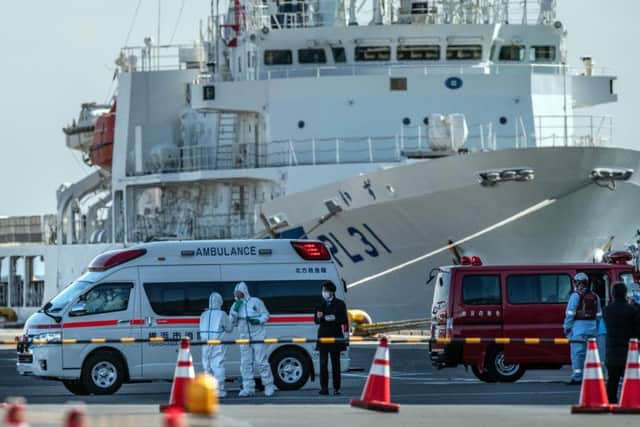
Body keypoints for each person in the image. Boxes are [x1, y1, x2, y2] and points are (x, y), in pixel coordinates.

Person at [229, 281, 275, 397]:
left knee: (261, 361)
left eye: (238, 293)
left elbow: (266, 315)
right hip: (244, 336)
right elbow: (231, 323)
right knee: (245, 363)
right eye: (236, 293)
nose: (237, 295)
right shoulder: (235, 305)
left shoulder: (256, 302)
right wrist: (235, 312)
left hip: (258, 335)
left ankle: (269, 386)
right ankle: (248, 388)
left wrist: (258, 320)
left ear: (244, 292)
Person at [604, 282, 640, 403]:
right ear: (625, 293)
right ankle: (630, 400)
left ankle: (611, 401)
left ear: (613, 294)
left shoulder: (607, 310)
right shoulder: (632, 310)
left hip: (612, 350)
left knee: (612, 379)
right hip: (628, 350)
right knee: (630, 378)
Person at [563, 272, 602, 385]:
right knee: (591, 355)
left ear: (576, 283)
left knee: (577, 354)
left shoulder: (575, 296)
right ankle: (592, 377)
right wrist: (595, 328)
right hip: (592, 328)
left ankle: (577, 378)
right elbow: (599, 316)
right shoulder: (595, 296)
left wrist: (567, 329)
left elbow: (570, 314)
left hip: (578, 329)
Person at [314, 281, 348, 396]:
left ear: (332, 292)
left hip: (335, 337)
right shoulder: (320, 304)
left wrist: (331, 318)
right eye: (323, 291)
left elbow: (343, 319)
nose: (324, 293)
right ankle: (324, 388)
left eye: (326, 290)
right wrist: (321, 318)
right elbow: (316, 319)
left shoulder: (340, 304)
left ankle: (336, 388)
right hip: (323, 336)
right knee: (323, 364)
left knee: (335, 364)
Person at [199, 292, 232, 397]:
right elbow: (229, 328)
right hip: (217, 343)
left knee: (207, 367)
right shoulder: (222, 314)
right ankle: (219, 390)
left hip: (205, 343)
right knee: (218, 365)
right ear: (219, 302)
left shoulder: (203, 314)